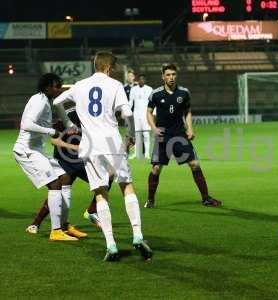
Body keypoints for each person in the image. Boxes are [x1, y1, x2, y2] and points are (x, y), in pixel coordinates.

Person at [53, 51, 152, 261]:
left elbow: (57, 103)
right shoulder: (114, 85)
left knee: (100, 193)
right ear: (109, 67)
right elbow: (127, 114)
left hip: (89, 146)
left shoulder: (79, 85)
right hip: (112, 142)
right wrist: (132, 135)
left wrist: (69, 124)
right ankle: (137, 236)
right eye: (113, 67)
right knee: (126, 186)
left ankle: (111, 245)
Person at [13, 73, 81, 241]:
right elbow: (26, 124)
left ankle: (64, 226)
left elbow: (65, 119)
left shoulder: (50, 100)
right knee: (55, 183)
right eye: (56, 86)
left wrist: (73, 127)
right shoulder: (39, 100)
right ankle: (56, 231)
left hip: (37, 150)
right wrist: (53, 131)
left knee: (64, 177)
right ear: (47, 87)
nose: (59, 89)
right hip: (26, 150)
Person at [145, 63, 222, 208]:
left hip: (180, 134)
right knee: (156, 169)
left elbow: (188, 112)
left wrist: (190, 129)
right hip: (163, 135)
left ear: (176, 75)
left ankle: (206, 198)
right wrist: (154, 128)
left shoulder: (184, 93)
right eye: (168, 75)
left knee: (194, 164)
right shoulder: (156, 94)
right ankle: (150, 200)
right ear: (163, 77)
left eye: (173, 74)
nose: (171, 77)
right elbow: (149, 112)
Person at [26, 108, 107, 234]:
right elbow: (54, 140)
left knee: (107, 179)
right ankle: (36, 224)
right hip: (65, 161)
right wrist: (73, 147)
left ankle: (91, 211)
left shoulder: (94, 116)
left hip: (84, 160)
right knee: (59, 193)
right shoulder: (68, 116)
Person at [129, 74, 153, 159]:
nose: (141, 81)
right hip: (136, 115)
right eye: (140, 79)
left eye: (143, 79)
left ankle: (147, 154)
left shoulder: (149, 89)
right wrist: (128, 112)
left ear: (145, 80)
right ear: (138, 80)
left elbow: (152, 103)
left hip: (145, 115)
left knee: (146, 134)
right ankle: (136, 153)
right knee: (136, 135)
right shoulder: (133, 89)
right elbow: (130, 102)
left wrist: (154, 114)